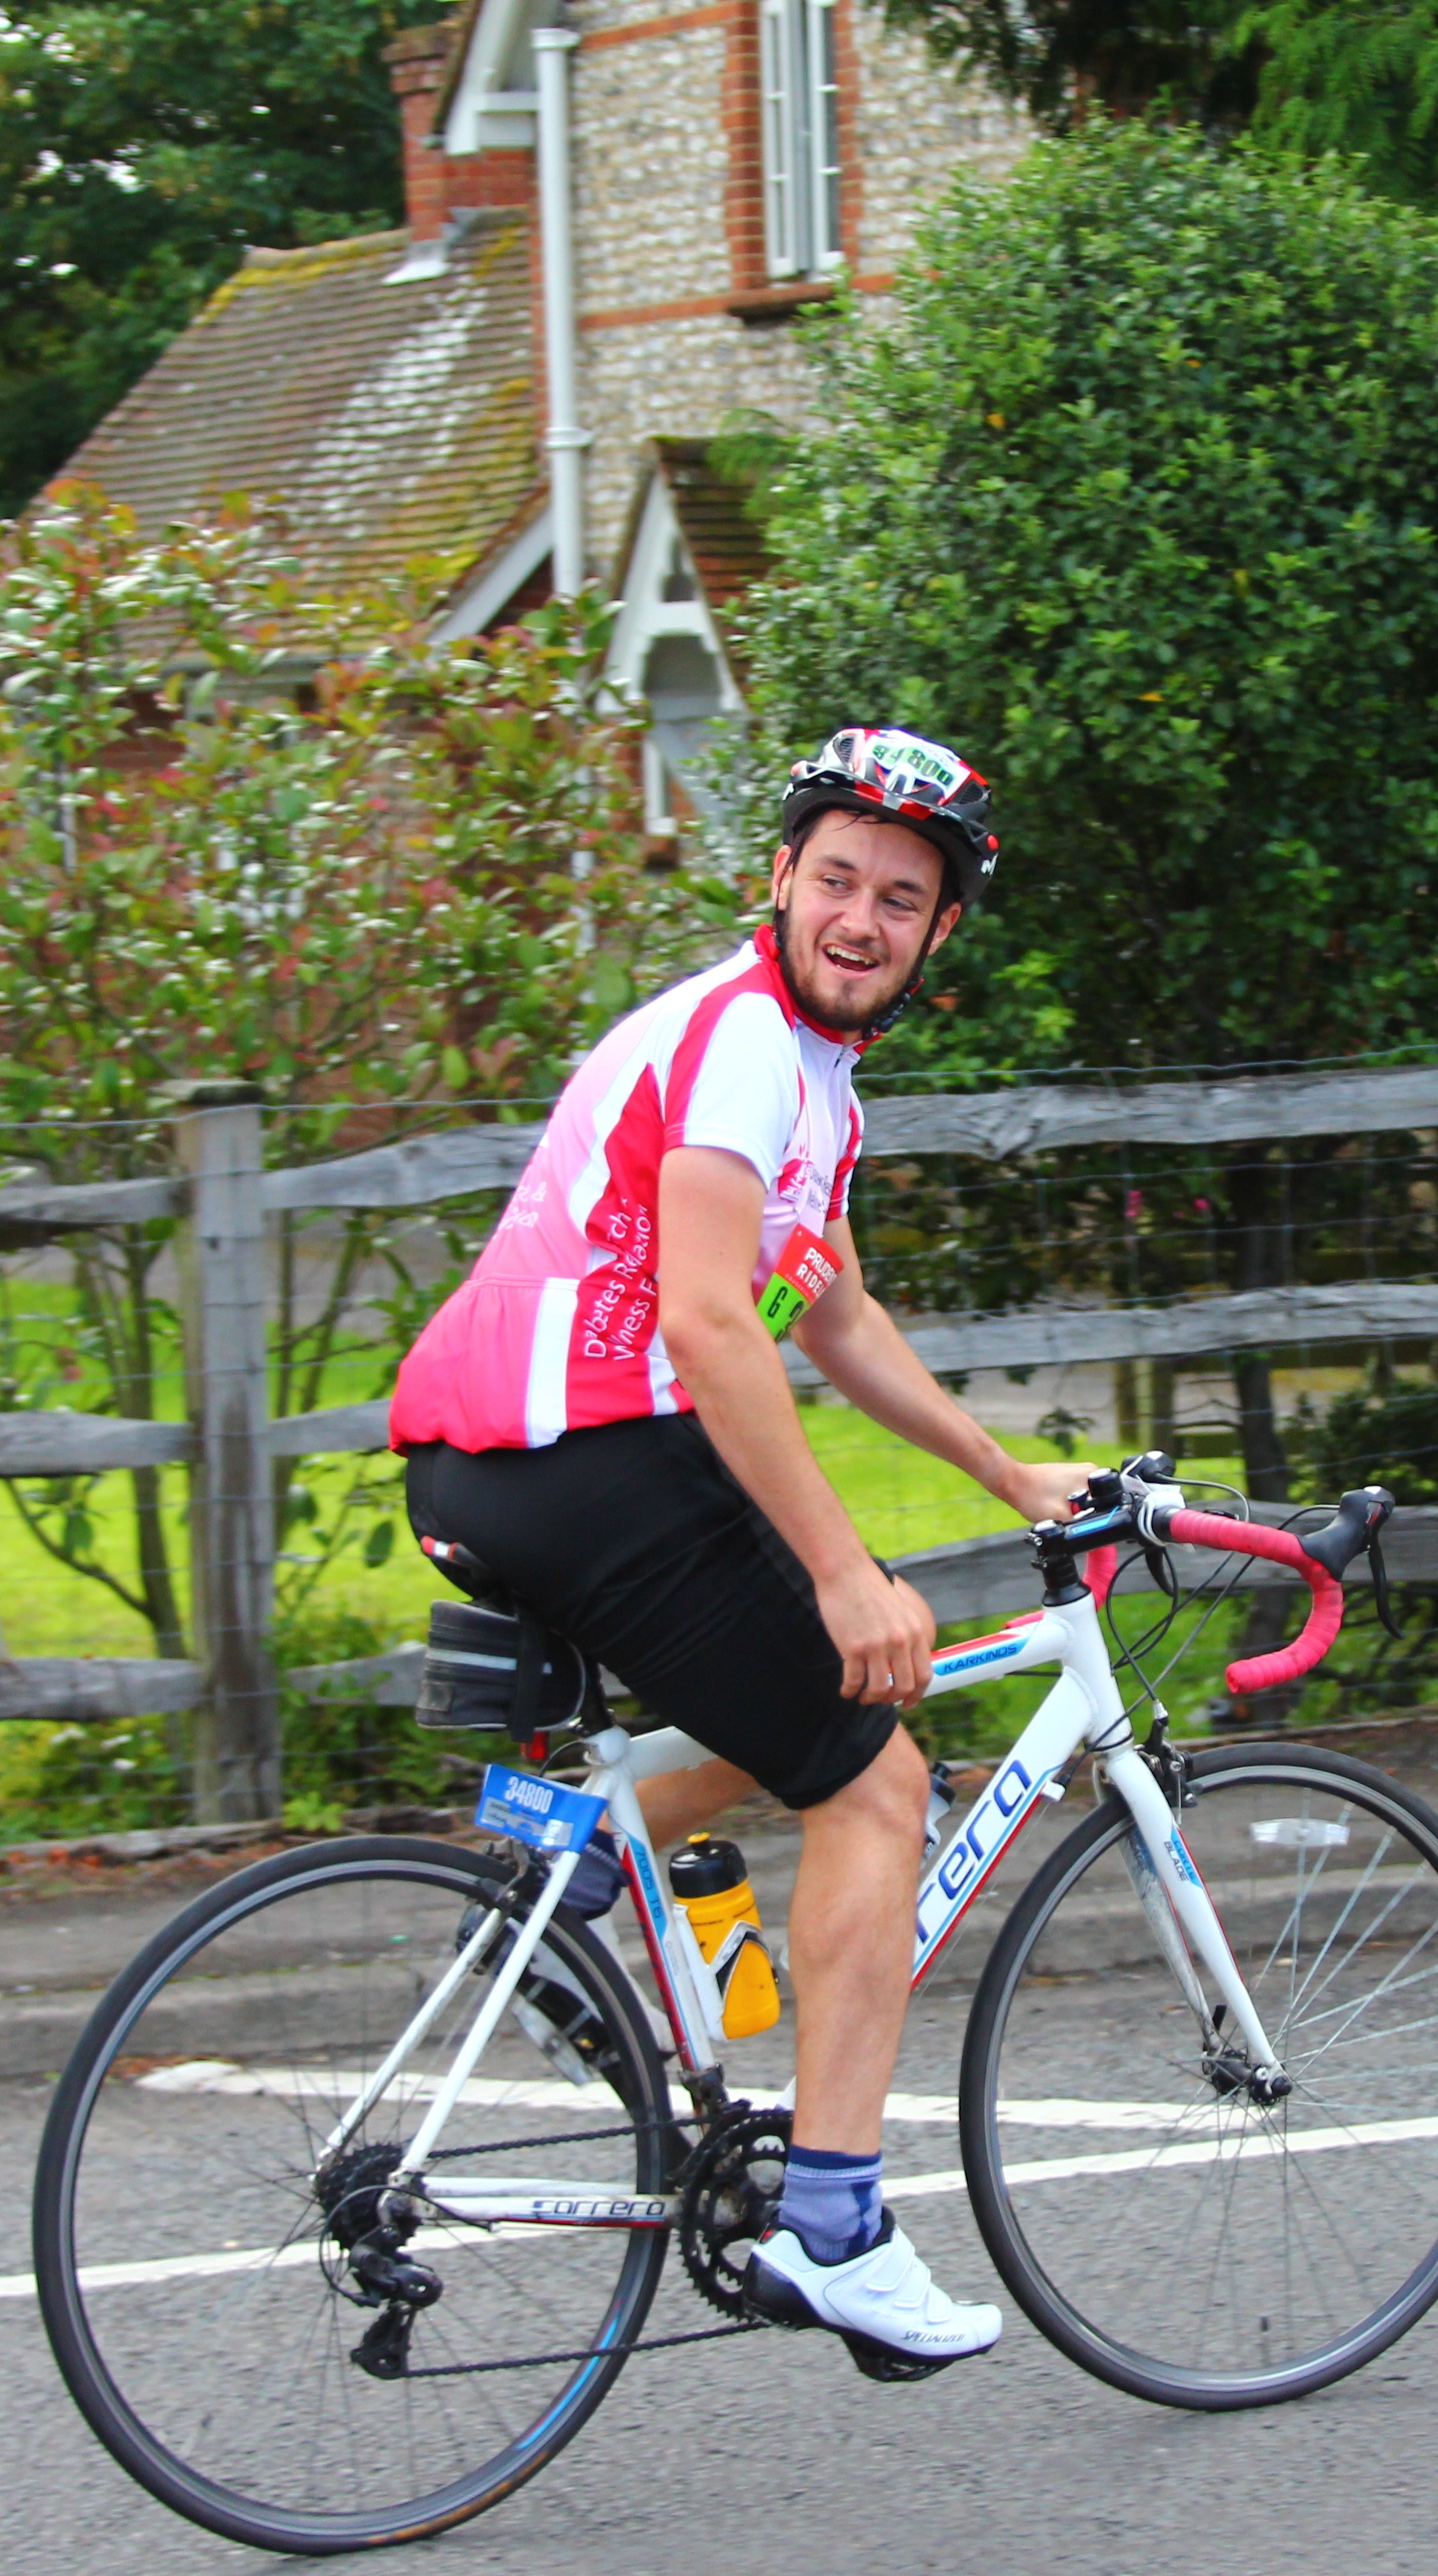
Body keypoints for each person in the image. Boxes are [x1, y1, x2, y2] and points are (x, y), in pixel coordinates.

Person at [386, 728, 1094, 2370]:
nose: (861, 916)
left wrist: (1005, 1475)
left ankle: (553, 1900)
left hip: (489, 1463)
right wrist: (848, 1569)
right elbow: (711, 1326)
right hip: (586, 1450)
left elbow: (824, 1306)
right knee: (878, 1777)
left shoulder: (803, 1074)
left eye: (900, 899)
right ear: (777, 880)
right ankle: (836, 2226)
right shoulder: (746, 1049)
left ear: (938, 936)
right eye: (836, 878)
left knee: (774, 1719)